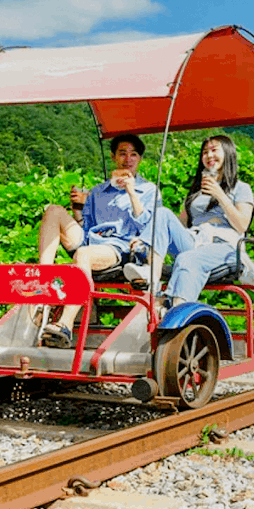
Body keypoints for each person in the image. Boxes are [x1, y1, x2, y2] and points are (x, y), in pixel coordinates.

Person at [36, 134, 158, 348]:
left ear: (139, 159)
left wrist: (131, 191)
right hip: (91, 241)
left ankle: (65, 323)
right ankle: (42, 279)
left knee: (84, 255)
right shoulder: (98, 192)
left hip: (121, 247)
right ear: (113, 157)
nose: (127, 159)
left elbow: (146, 227)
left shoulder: (148, 190)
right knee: (54, 211)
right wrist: (77, 211)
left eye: (133, 154)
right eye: (122, 153)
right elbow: (87, 226)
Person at [122, 135, 254, 315]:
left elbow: (242, 225)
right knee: (163, 213)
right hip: (196, 240)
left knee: (187, 259)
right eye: (205, 152)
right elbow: (178, 225)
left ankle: (177, 310)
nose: (209, 155)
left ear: (228, 153)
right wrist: (146, 237)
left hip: (225, 247)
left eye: (214, 150)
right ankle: (152, 283)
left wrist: (220, 195)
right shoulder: (196, 191)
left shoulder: (241, 188)